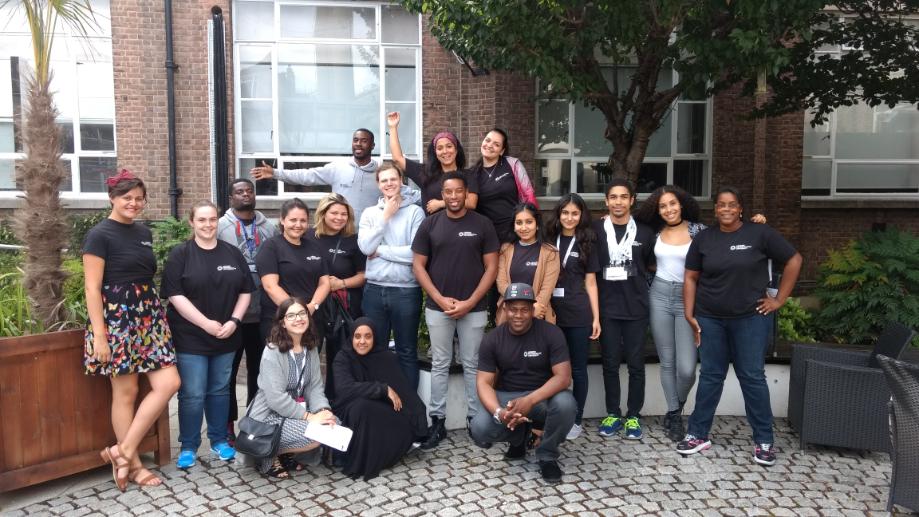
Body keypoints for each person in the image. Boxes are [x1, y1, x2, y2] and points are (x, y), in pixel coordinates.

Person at [677, 187, 802, 466]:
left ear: (741, 208)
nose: (726, 209)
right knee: (710, 375)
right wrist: (689, 314)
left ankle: (764, 440)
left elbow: (794, 259)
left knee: (752, 377)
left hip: (751, 318)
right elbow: (690, 278)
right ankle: (698, 434)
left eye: (732, 205)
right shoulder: (704, 239)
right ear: (715, 208)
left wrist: (779, 299)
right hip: (711, 318)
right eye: (721, 205)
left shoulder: (760, 233)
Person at [634, 185, 767, 442]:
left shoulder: (700, 231)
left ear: (682, 204)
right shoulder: (654, 233)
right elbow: (641, 251)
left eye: (673, 204)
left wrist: (754, 223)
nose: (669, 209)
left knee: (686, 369)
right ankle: (673, 413)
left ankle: (679, 401)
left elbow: (730, 234)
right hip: (659, 295)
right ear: (656, 210)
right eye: (663, 206)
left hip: (689, 299)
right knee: (667, 362)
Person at [83, 170, 181, 491]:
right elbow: (92, 287)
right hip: (116, 317)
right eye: (127, 198)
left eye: (139, 199)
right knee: (125, 393)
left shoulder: (144, 232)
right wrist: (100, 335)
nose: (134, 204)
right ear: (112, 198)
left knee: (169, 382)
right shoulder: (99, 234)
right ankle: (135, 465)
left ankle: (121, 451)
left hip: (148, 314)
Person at [162, 201, 254, 469]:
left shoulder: (231, 253)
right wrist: (205, 324)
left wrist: (235, 321)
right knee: (192, 393)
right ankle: (189, 445)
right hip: (191, 338)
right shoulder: (181, 255)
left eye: (212, 219)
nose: (208, 225)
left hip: (226, 336)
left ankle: (218, 440)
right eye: (202, 220)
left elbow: (246, 290)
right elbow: (175, 295)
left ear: (218, 221)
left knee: (220, 391)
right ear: (192, 222)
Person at [412, 172, 500, 449]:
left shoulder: (482, 224)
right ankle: (437, 420)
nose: (453, 196)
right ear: (442, 194)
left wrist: (471, 301)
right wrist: (438, 297)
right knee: (440, 363)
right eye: (447, 192)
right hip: (438, 308)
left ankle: (476, 420)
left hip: (474, 308)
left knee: (473, 364)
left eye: (458, 191)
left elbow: (492, 268)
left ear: (465, 193)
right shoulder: (430, 225)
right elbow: (418, 266)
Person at [470, 283, 576, 484]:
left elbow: (563, 377)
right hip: (508, 396)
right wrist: (499, 413)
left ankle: (547, 455)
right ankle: (518, 439)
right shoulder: (492, 339)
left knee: (566, 404)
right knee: (479, 427)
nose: (518, 315)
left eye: (524, 310)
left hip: (543, 397)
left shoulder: (551, 333)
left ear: (533, 309)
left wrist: (530, 400)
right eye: (513, 309)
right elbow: (483, 382)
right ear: (505, 309)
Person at [244, 297, 337, 478]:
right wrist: (310, 417)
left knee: (333, 425)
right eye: (291, 315)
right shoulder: (273, 351)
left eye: (302, 313)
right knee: (316, 434)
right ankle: (269, 454)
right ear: (283, 323)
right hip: (269, 417)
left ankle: (286, 452)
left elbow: (315, 386)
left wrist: (323, 411)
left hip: (296, 413)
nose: (298, 319)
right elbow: (275, 398)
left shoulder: (310, 348)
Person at [592, 178, 655, 440]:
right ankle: (613, 413)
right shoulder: (595, 231)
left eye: (623, 197)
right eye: (613, 197)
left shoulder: (646, 233)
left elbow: (651, 266)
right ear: (607, 201)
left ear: (632, 200)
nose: (618, 201)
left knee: (636, 366)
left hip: (637, 308)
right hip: (607, 308)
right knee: (609, 364)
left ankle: (633, 416)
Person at [218, 178, 279, 443]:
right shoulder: (220, 227)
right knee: (228, 373)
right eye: (239, 192)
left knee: (260, 371)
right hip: (232, 313)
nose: (245, 195)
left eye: (249, 191)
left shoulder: (269, 228)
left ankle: (255, 420)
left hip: (263, 311)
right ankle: (228, 424)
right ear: (231, 197)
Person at [332, 317, 428, 480]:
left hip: (382, 412)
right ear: (351, 337)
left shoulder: (386, 358)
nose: (362, 341)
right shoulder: (343, 358)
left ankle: (376, 453)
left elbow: (406, 394)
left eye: (368, 336)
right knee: (360, 407)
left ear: (374, 337)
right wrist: (381, 389)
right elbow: (344, 389)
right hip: (350, 411)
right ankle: (356, 455)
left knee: (365, 407)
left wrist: (418, 423)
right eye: (357, 336)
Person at [358, 165, 426, 389]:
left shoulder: (415, 212)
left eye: (392, 179)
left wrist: (382, 251)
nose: (389, 184)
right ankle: (379, 405)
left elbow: (414, 253)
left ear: (401, 180)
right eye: (384, 180)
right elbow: (366, 247)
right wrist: (385, 216)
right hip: (374, 291)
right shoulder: (370, 213)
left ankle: (409, 409)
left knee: (406, 350)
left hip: (406, 292)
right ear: (378, 184)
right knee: (375, 349)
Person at [544, 193, 601, 440]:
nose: (569, 218)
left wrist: (596, 318)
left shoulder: (587, 240)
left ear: (581, 215)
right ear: (558, 214)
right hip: (550, 314)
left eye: (574, 213)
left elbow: (591, 283)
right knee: (551, 368)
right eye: (565, 213)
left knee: (578, 369)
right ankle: (551, 415)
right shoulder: (547, 239)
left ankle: (576, 419)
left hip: (578, 314)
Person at [249, 129, 379, 222]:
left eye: (364, 141)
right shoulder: (338, 167)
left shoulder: (381, 172)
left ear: (372, 145)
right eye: (355, 140)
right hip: (342, 232)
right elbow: (307, 175)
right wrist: (275, 173)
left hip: (369, 235)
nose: (358, 144)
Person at [309, 193, 367, 400]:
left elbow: (363, 276)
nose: (339, 218)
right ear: (323, 213)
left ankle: (336, 400)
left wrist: (339, 283)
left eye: (344, 214)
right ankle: (308, 403)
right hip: (314, 307)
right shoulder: (308, 237)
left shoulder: (354, 240)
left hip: (344, 309)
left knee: (339, 358)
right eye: (334, 213)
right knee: (309, 355)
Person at [255, 198, 331, 348]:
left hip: (312, 319)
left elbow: (325, 282)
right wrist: (297, 312)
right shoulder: (271, 247)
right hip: (280, 321)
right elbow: (270, 286)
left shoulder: (314, 247)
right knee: (280, 369)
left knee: (310, 368)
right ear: (282, 220)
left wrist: (312, 306)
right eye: (293, 220)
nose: (298, 225)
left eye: (303, 220)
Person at [386, 111, 478, 214]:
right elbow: (398, 159)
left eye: (449, 146)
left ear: (456, 150)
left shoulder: (468, 175)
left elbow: (471, 203)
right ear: (435, 153)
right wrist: (393, 127)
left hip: (461, 227)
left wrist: (441, 203)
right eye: (440, 148)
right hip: (433, 228)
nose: (445, 151)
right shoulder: (426, 173)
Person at [495, 203, 560, 324]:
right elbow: (501, 284)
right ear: (514, 226)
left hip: (539, 313)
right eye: (519, 223)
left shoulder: (551, 252)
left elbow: (547, 288)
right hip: (509, 314)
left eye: (529, 222)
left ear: (537, 225)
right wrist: (519, 309)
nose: (523, 227)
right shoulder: (505, 249)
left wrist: (532, 309)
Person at [471, 128, 537, 242]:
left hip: (515, 232)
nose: (490, 145)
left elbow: (528, 195)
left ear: (502, 150)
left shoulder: (512, 164)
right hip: (487, 235)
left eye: (496, 144)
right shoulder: (473, 173)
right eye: (487, 140)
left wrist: (532, 223)